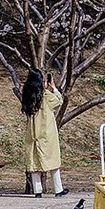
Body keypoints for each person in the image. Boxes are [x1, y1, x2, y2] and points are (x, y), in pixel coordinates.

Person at [22, 68, 67, 197]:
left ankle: (37, 191)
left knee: (34, 161)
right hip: (47, 132)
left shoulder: (27, 94)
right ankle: (58, 189)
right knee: (53, 160)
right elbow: (59, 101)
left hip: (32, 132)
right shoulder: (45, 95)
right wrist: (53, 88)